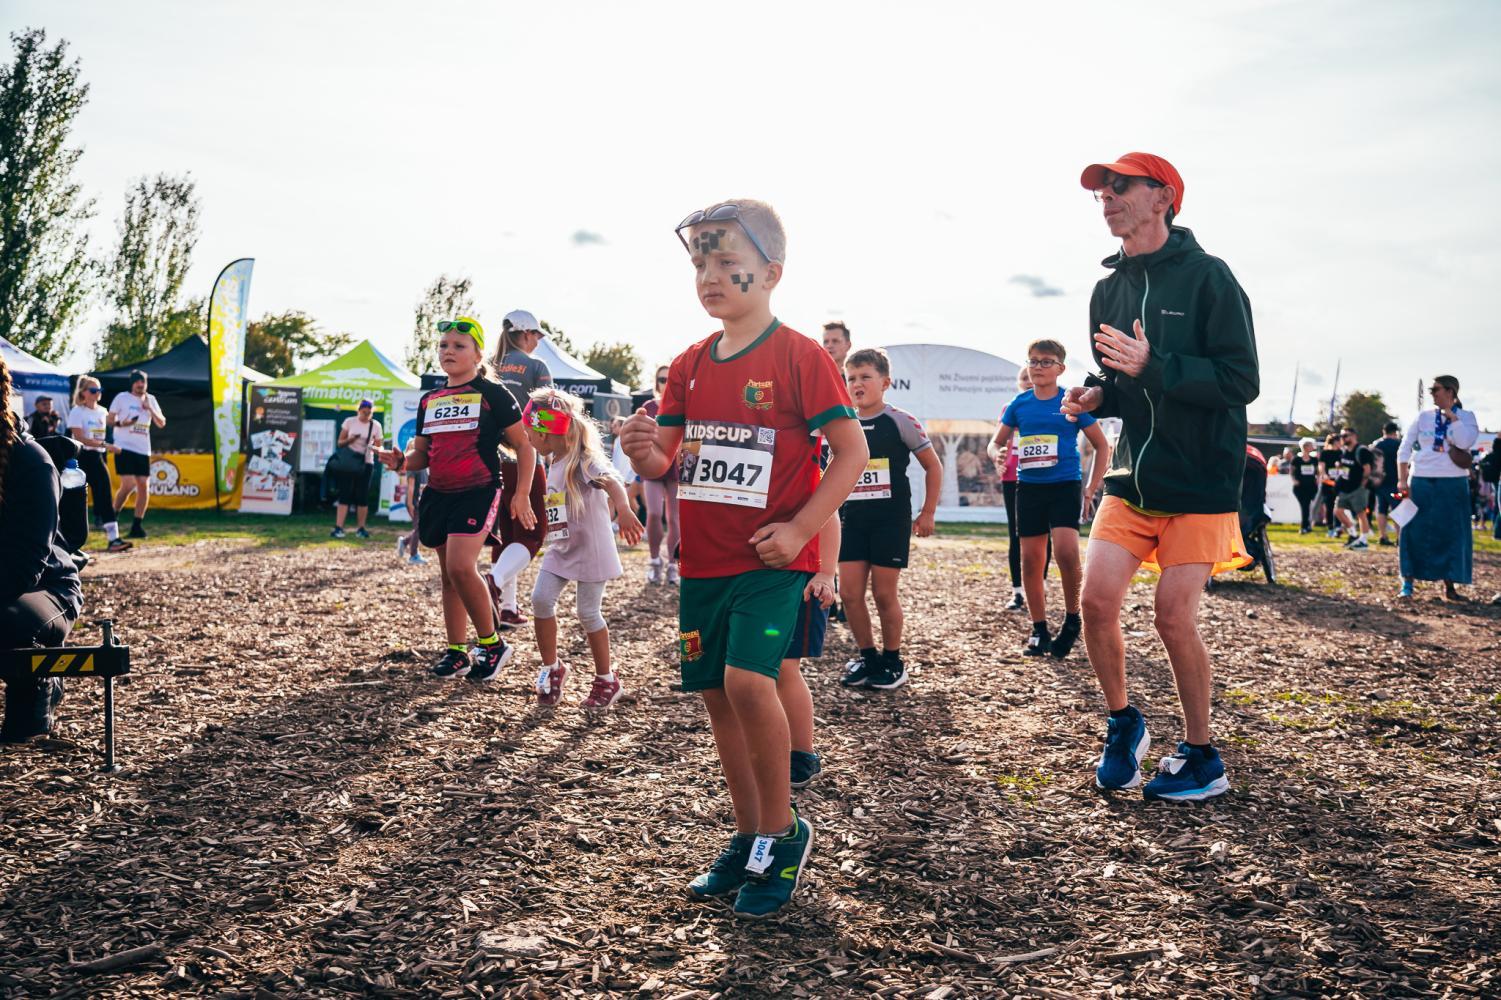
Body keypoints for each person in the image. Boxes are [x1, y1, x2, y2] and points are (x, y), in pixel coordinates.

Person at [620, 198, 865, 919]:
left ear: (772, 273)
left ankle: (784, 835)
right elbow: (666, 460)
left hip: (772, 562)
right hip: (703, 564)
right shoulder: (689, 364)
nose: (710, 277)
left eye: (728, 263)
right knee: (718, 697)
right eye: (700, 263)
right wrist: (642, 450)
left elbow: (850, 454)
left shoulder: (800, 356)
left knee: (749, 682)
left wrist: (800, 531)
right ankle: (749, 834)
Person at [1062, 151, 1258, 802]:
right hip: (1132, 476)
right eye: (1101, 190)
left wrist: (1155, 366)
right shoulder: (1106, 290)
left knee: (1172, 617)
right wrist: (1097, 395)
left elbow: (1240, 381)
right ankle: (1124, 723)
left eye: (1121, 186)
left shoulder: (1210, 277)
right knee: (1094, 604)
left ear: (1163, 197)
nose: (1107, 197)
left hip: (1200, 480)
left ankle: (1201, 756)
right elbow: (1119, 379)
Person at [381, 318, 538, 679]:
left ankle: (493, 645)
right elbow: (422, 454)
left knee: (460, 566)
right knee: (449, 576)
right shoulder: (430, 400)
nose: (448, 351)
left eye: (458, 346)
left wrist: (522, 494)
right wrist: (402, 462)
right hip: (439, 493)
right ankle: (456, 652)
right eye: (443, 345)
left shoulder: (493, 393)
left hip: (479, 490)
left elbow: (524, 446)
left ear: (478, 355)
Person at [526, 389, 644, 710]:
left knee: (588, 612)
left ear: (544, 432)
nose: (527, 438)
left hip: (591, 549)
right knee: (540, 599)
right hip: (562, 547)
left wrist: (624, 508)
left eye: (529, 431)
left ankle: (607, 680)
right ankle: (552, 668)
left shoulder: (583, 460)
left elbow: (612, 481)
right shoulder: (553, 459)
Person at [993, 340, 1110, 659]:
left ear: (1060, 368)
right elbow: (995, 442)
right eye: (1033, 361)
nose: (1038, 367)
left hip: (1064, 485)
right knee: (1031, 559)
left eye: (1046, 362)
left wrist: (1091, 487)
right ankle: (1039, 629)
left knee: (1067, 553)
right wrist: (996, 453)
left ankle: (1073, 619)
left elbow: (1102, 445)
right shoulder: (1019, 404)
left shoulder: (1069, 402)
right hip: (1029, 488)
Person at [837, 347, 941, 689]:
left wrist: (928, 512)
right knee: (849, 593)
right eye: (851, 378)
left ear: (885, 383)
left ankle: (893, 661)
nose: (857, 384)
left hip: (890, 520)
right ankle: (868, 658)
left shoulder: (900, 420)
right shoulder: (841, 424)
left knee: (884, 594)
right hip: (851, 520)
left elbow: (933, 466)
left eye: (865, 377)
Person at [0, 357, 83, 743]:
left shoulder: (31, 462)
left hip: (45, 586)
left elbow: (25, 565)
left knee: (9, 622)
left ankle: (40, 691)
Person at [489, 309, 553, 629]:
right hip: (525, 458)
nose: (538, 342)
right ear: (526, 334)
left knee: (507, 534)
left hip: (491, 461)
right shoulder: (536, 366)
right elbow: (548, 415)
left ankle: (507, 608)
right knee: (532, 534)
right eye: (537, 336)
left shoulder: (489, 365)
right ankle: (493, 582)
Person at [1396, 375, 1479, 601]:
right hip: (1421, 478)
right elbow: (1404, 448)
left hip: (1453, 481)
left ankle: (1450, 585)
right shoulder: (1423, 417)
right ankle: (1407, 582)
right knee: (1412, 530)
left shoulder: (1467, 417)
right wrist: (1402, 480)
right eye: (1431, 390)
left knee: (1452, 532)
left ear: (1450, 392)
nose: (1432, 394)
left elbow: (1465, 442)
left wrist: (1454, 418)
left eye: (1436, 389)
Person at [778, 514, 840, 790]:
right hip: (752, 573)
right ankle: (765, 745)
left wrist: (826, 572)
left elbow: (828, 512)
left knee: (784, 667)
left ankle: (803, 752)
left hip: (801, 575)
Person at [991, 367, 1051, 610]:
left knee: (1044, 535)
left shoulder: (1048, 406)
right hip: (1012, 478)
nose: (1028, 381)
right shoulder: (1011, 408)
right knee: (1016, 534)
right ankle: (1017, 592)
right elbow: (997, 442)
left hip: (1043, 478)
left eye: (1031, 377)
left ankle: (1041, 586)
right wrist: (998, 460)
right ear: (1018, 382)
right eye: (1023, 378)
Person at [65, 376, 130, 553]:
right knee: (74, 500)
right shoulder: (77, 411)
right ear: (83, 393)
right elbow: (79, 438)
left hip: (97, 457)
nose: (97, 394)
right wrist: (106, 445)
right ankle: (69, 541)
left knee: (105, 497)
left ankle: (113, 539)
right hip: (80, 457)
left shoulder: (102, 411)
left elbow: (115, 423)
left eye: (99, 390)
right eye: (93, 390)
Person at [107, 370, 165, 540]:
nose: (141, 385)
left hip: (143, 449)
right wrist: (121, 423)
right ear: (132, 384)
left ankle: (137, 526)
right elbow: (109, 420)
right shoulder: (122, 397)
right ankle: (112, 516)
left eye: (143, 382)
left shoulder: (151, 399)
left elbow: (161, 423)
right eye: (138, 382)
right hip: (123, 446)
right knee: (128, 484)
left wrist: (149, 408)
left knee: (143, 487)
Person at [640, 363, 682, 585]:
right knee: (654, 514)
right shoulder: (649, 406)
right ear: (656, 383)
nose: (665, 383)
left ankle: (673, 565)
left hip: (676, 468)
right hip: (653, 466)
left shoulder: (682, 405)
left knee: (674, 518)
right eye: (662, 379)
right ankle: (655, 561)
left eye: (669, 379)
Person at [331, 399, 383, 539]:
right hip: (348, 463)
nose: (366, 415)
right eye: (363, 412)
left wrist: (371, 447)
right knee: (344, 494)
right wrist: (351, 440)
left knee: (362, 496)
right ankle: (338, 527)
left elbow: (379, 448)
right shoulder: (349, 422)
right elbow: (340, 442)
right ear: (358, 410)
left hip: (366, 463)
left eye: (368, 413)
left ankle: (361, 528)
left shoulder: (376, 425)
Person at [1332, 426, 1374, 549]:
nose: (1342, 438)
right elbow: (1345, 467)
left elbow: (1367, 470)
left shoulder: (1362, 450)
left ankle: (1363, 540)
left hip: (1358, 487)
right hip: (1345, 487)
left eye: (1345, 436)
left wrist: (1362, 485)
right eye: (1341, 436)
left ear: (1354, 436)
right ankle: (1353, 534)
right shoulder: (1345, 451)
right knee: (1338, 511)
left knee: (1361, 514)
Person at [1371, 421, 1402, 546]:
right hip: (1394, 481)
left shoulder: (1377, 444)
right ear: (1395, 432)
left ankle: (1383, 536)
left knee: (1381, 509)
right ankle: (1399, 537)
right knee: (1398, 509)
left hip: (1379, 481)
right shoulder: (1398, 444)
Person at [394, 466, 429, 564]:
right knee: (419, 528)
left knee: (420, 528)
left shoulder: (424, 467)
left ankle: (404, 542)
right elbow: (410, 486)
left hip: (421, 502)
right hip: (415, 503)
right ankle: (413, 555)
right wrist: (410, 504)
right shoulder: (414, 467)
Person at [1289, 436, 1321, 534]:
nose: (1312, 447)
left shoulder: (1314, 459)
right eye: (1311, 445)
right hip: (1300, 487)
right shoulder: (1296, 459)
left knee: (1308, 506)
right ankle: (1304, 527)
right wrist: (1294, 480)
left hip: (1311, 486)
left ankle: (1307, 526)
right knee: (1305, 506)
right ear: (1305, 446)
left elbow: (1318, 472)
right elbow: (1291, 471)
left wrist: (1318, 480)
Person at [1318, 433, 1341, 534]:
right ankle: (1330, 528)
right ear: (1335, 442)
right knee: (1329, 505)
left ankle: (1338, 526)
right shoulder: (1325, 453)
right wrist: (1324, 474)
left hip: (1339, 483)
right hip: (1328, 483)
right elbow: (1321, 465)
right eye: (1339, 441)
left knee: (1339, 505)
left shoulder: (1341, 453)